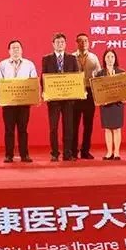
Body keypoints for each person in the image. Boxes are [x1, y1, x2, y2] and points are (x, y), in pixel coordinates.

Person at [0, 39, 38, 163]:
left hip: (24, 103)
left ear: (22, 50)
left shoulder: (29, 64)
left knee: (23, 129)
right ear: (9, 51)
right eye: (13, 48)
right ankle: (9, 155)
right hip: (8, 103)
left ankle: (25, 155)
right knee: (9, 130)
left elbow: (33, 81)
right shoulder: (2, 64)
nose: (16, 50)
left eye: (18, 47)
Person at [41, 33, 81, 161]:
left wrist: (77, 91)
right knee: (53, 128)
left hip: (68, 99)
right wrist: (45, 92)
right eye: (57, 42)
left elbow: (77, 77)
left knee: (68, 127)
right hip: (53, 99)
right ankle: (54, 153)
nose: (60, 44)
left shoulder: (72, 58)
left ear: (65, 44)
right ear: (53, 44)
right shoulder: (46, 59)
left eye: (62, 42)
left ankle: (67, 153)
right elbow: (43, 78)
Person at [72, 33, 100, 160]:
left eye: (86, 41)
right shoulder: (71, 57)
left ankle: (85, 151)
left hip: (89, 93)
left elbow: (99, 75)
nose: (83, 43)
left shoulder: (94, 58)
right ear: (77, 43)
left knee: (88, 125)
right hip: (75, 93)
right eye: (81, 41)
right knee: (74, 124)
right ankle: (73, 151)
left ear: (89, 43)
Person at [96, 49, 124, 160]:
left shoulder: (121, 72)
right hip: (105, 105)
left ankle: (116, 152)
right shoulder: (100, 74)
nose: (110, 59)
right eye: (108, 57)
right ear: (104, 59)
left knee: (117, 129)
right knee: (107, 129)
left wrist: (124, 97)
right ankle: (109, 152)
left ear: (115, 58)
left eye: (112, 56)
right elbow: (97, 90)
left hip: (118, 104)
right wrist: (100, 100)